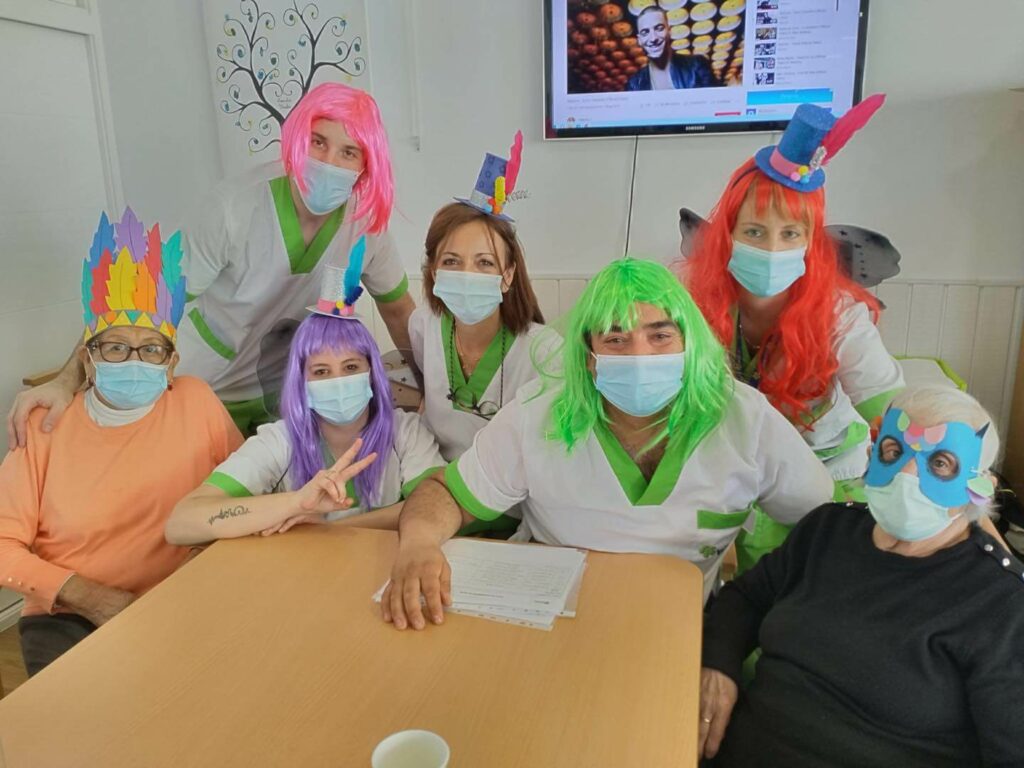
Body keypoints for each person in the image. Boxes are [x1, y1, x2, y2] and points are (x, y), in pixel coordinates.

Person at [381, 258, 834, 631]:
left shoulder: (745, 420)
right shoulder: (538, 414)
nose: (640, 355)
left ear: (690, 343)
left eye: (660, 335)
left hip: (681, 631)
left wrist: (738, 636)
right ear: (589, 357)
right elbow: (446, 493)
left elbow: (822, 525)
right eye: (616, 339)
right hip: (551, 620)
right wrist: (418, 543)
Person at [7, 82, 415, 442]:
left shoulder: (366, 225)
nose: (328, 162)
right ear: (296, 140)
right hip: (202, 385)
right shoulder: (233, 207)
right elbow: (139, 303)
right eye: (317, 142)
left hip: (284, 395)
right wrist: (65, 381)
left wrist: (429, 388)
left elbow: (398, 310)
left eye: (348, 152)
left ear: (367, 165)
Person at [699, 387, 1024, 767]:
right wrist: (719, 665)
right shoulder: (828, 530)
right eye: (894, 451)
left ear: (979, 486)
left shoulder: (1001, 602)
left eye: (940, 463)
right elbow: (746, 598)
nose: (906, 475)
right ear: (872, 454)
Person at [0, 210, 242, 676]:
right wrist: (88, 596)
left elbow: (241, 491)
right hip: (68, 613)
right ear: (88, 360)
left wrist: (205, 557)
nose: (134, 359)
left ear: (171, 363)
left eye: (150, 348)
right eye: (115, 347)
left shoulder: (197, 402)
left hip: (186, 593)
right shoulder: (45, 424)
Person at [683, 97, 903, 568]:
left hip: (829, 481)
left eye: (790, 234)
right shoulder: (689, 304)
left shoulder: (839, 315)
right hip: (736, 478)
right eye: (754, 232)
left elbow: (894, 411)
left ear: (810, 240)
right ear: (727, 234)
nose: (771, 248)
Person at [167, 266, 445, 545]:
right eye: (321, 371)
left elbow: (438, 506)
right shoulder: (279, 441)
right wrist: (296, 503)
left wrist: (334, 528)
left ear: (372, 372)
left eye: (351, 367)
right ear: (301, 381)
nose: (338, 381)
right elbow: (182, 524)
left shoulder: (406, 432)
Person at [409, 133, 552, 462]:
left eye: (484, 262)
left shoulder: (545, 353)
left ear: (508, 275)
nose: (467, 275)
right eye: (451, 262)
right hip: (435, 478)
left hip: (509, 489)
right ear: (433, 272)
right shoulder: (423, 327)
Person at [627, 7, 716, 91]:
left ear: (669, 31)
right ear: (639, 40)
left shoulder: (697, 65)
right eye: (645, 32)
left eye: (659, 29)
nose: (653, 38)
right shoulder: (634, 83)